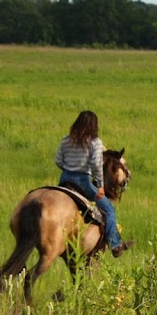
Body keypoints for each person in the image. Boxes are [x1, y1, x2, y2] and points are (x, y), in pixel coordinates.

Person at [55, 110, 134, 257]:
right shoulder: (95, 143)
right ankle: (115, 245)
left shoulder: (66, 140)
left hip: (64, 179)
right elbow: (96, 166)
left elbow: (58, 161)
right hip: (83, 181)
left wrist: (69, 169)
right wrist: (100, 186)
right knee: (109, 210)